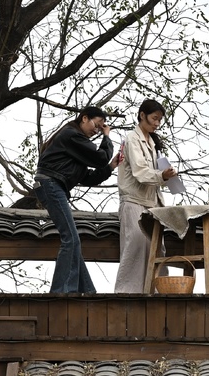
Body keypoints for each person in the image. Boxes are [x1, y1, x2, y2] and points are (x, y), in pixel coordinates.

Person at [34, 105, 115, 293]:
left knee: (73, 241)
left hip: (51, 185)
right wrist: (107, 137)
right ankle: (61, 292)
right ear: (84, 118)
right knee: (71, 238)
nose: (97, 130)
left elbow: (88, 178)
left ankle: (88, 291)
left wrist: (111, 167)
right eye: (97, 125)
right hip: (50, 184)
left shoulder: (75, 147)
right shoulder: (72, 135)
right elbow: (100, 158)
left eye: (101, 128)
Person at [114, 99, 178, 292]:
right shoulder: (132, 139)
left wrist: (167, 176)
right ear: (142, 115)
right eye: (154, 118)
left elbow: (154, 175)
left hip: (152, 203)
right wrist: (161, 175)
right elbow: (140, 173)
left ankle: (157, 291)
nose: (157, 123)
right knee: (135, 245)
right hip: (134, 200)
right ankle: (127, 293)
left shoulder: (152, 142)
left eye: (159, 120)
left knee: (156, 248)